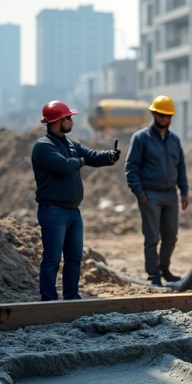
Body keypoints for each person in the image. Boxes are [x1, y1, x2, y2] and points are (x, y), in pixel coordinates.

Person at [31, 100, 121, 301]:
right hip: (53, 211)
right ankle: (49, 301)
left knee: (74, 258)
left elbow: (91, 156)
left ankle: (71, 297)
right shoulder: (43, 146)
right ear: (57, 121)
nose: (72, 121)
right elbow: (63, 166)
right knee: (52, 259)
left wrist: (109, 156)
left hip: (73, 212)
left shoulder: (70, 144)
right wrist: (80, 162)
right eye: (68, 118)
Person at [125, 95, 190, 287]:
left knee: (171, 236)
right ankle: (153, 275)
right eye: (161, 115)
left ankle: (165, 269)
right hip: (149, 195)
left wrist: (184, 191)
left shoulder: (174, 140)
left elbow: (182, 167)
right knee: (152, 237)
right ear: (154, 114)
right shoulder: (140, 138)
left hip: (170, 194)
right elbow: (131, 168)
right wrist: (140, 193)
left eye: (168, 116)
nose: (164, 119)